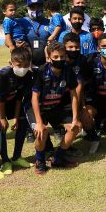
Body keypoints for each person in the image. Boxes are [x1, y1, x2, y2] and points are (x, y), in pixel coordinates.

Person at [29, 43, 81, 174]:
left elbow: (74, 94)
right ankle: (39, 161)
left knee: (75, 127)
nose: (59, 59)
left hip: (56, 107)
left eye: (62, 56)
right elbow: (34, 98)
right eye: (55, 57)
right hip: (38, 108)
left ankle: (57, 158)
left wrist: (75, 118)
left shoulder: (68, 70)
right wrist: (39, 123)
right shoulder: (41, 72)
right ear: (48, 58)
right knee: (42, 132)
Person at [0, 47, 35, 174]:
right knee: (2, 127)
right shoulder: (4, 75)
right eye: (19, 65)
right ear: (11, 63)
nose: (23, 68)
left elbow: (18, 98)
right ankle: (5, 161)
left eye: (26, 65)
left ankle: (17, 156)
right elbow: (0, 99)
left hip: (10, 100)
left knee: (23, 121)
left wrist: (16, 117)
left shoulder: (28, 75)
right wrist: (2, 118)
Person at [25, 0, 50, 67]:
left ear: (42, 8)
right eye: (32, 7)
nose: (36, 10)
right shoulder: (22, 22)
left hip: (46, 64)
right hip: (28, 65)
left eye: (38, 7)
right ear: (28, 8)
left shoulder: (50, 22)